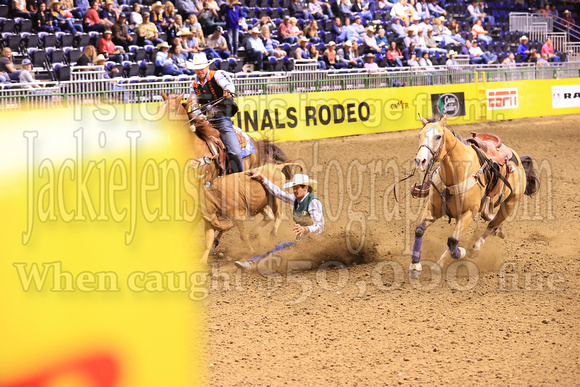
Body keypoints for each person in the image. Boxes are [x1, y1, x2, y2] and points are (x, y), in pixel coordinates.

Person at [235, 173, 324, 270]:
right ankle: (253, 263)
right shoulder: (296, 200)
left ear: (305, 188)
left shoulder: (313, 202)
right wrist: (263, 179)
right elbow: (279, 193)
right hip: (301, 242)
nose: (294, 191)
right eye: (293, 188)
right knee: (281, 249)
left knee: (281, 249)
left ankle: (253, 264)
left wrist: (305, 228)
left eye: (296, 188)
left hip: (312, 243)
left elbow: (320, 226)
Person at [190, 53, 242, 172]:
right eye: (197, 68)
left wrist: (228, 90)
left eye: (202, 67)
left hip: (221, 118)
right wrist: (199, 116)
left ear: (207, 67)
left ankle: (239, 175)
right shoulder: (193, 85)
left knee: (234, 151)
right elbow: (194, 105)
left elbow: (228, 84)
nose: (200, 71)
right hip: (205, 120)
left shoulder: (216, 75)